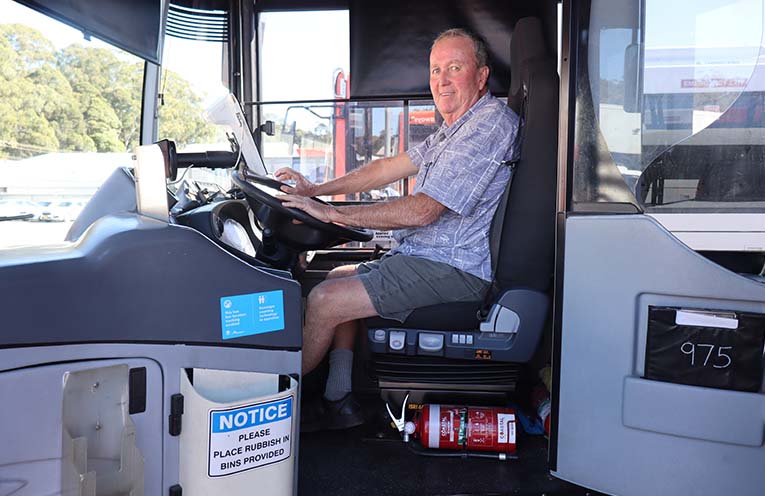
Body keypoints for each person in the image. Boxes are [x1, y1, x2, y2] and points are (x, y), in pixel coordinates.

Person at [275, 28, 520, 430]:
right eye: (436, 70)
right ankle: (339, 398)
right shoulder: (456, 128)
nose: (442, 80)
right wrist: (316, 190)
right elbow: (388, 168)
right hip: (424, 256)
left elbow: (423, 211)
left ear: (481, 76)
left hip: (454, 268)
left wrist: (332, 214)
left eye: (454, 68)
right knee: (336, 277)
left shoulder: (488, 125)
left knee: (323, 301)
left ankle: (276, 402)